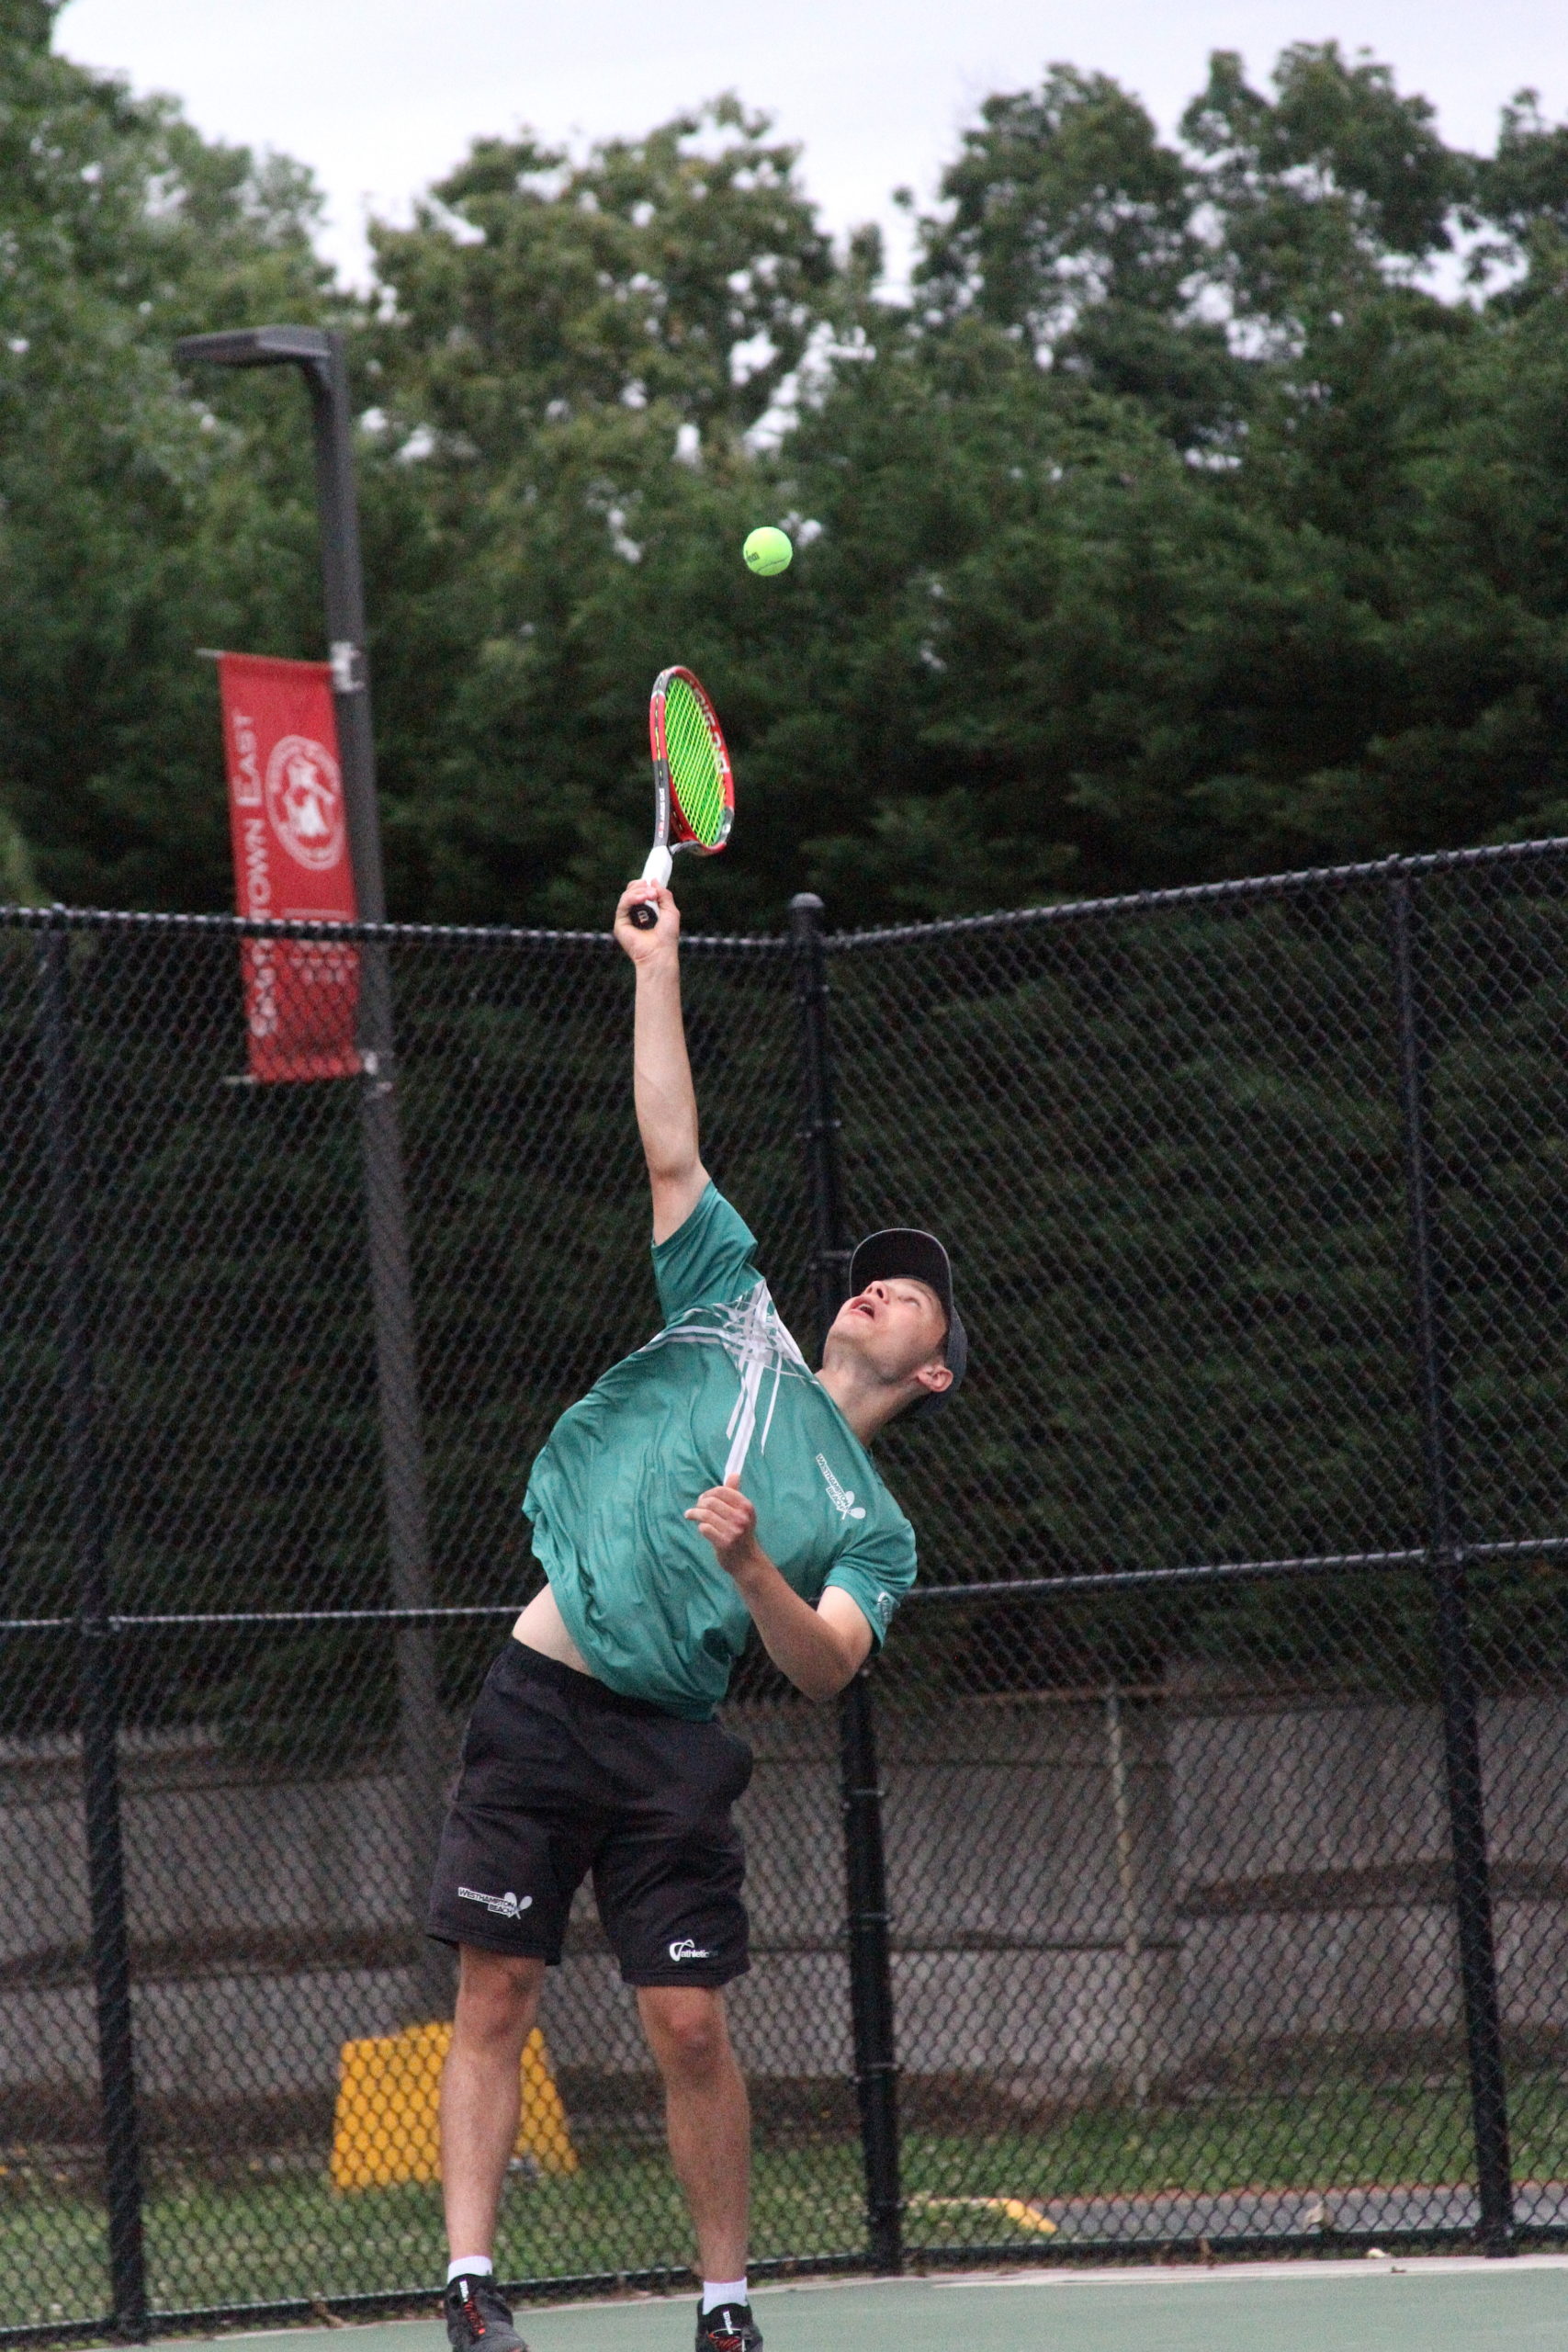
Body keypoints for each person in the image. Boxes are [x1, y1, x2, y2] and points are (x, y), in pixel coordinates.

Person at [427, 876, 968, 2352]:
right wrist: (653, 967)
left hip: (670, 1746)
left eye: (912, 1298)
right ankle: (471, 2286)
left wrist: (753, 1576)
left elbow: (827, 1668)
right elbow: (674, 1150)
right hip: (543, 1694)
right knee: (496, 1988)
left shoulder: (875, 1525)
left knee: (690, 2024)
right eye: (875, 1279)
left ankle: (725, 2305)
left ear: (934, 1375)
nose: (880, 1292)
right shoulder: (736, 1320)